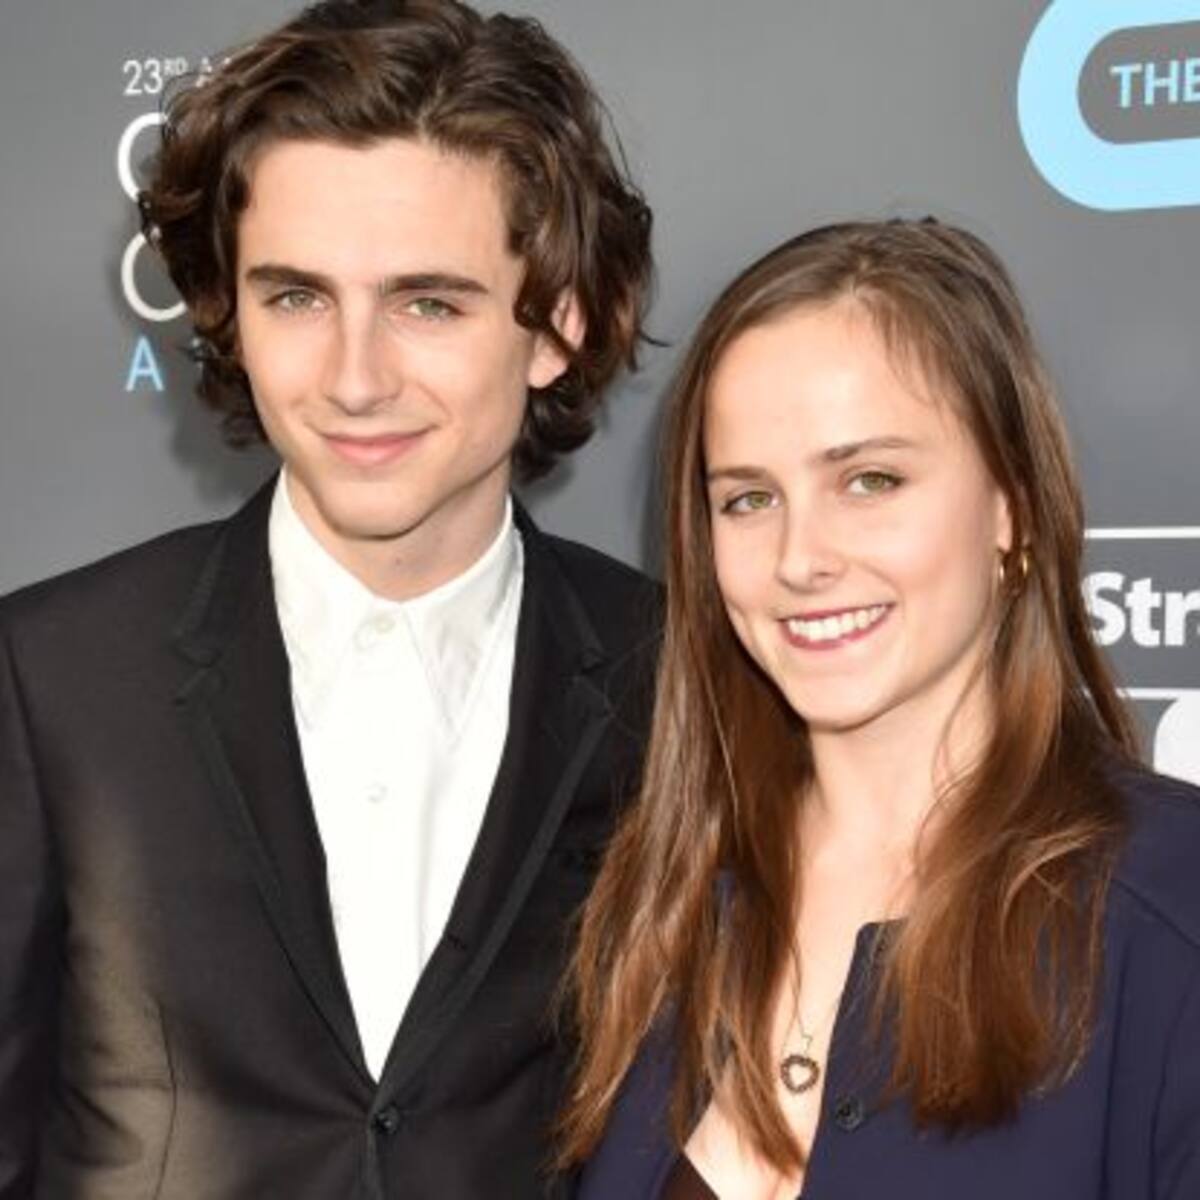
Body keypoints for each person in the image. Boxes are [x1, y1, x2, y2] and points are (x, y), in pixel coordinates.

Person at [0, 1, 658, 1196]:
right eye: (297, 297)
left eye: (428, 303)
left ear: (557, 324)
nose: (355, 379)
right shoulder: (53, 677)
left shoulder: (676, 678)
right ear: (230, 313)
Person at [560, 219, 1200, 1199]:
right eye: (748, 499)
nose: (799, 559)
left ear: (1013, 509)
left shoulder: (1167, 909)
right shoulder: (666, 895)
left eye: (869, 481)